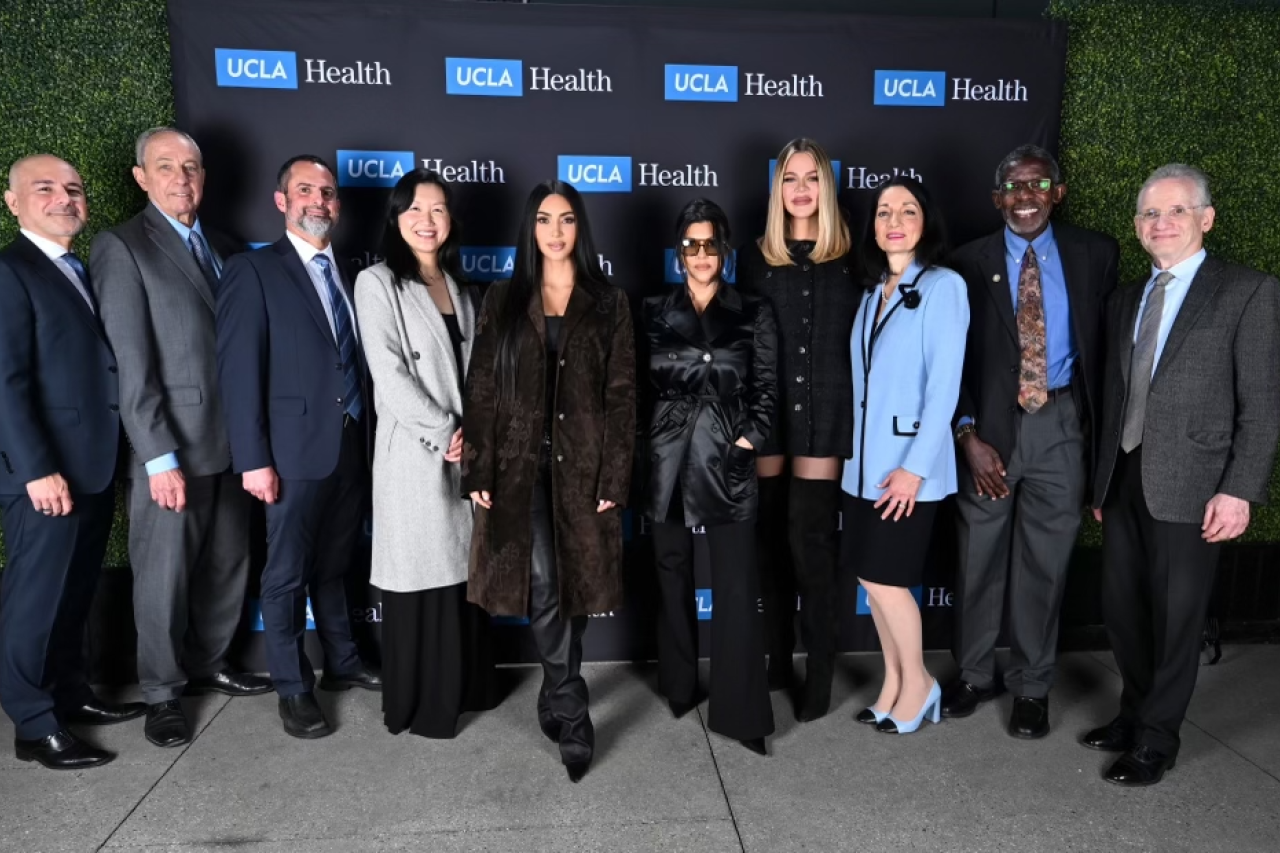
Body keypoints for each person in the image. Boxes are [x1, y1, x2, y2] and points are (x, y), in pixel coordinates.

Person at [1086, 164, 1280, 786]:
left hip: (1196, 487)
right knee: (1122, 609)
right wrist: (1100, 483)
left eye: (1174, 212)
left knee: (1177, 619)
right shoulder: (1125, 297)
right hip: (1123, 479)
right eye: (1149, 214)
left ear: (1205, 219)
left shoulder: (1247, 291)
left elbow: (1263, 403)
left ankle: (1157, 740)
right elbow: (1116, 398)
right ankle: (1133, 711)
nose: (1160, 223)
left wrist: (1240, 489)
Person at [89, 128, 269, 750]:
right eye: (165, 166)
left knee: (228, 563)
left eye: (190, 166)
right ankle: (162, 694)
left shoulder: (224, 246)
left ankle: (211, 660)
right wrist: (156, 456)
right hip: (171, 450)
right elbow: (130, 364)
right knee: (162, 576)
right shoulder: (121, 247)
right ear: (142, 177)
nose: (180, 177)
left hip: (234, 444)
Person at [461, 180, 635, 783]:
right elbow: (481, 386)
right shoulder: (503, 297)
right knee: (544, 583)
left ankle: (552, 689)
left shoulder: (609, 302)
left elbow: (622, 397)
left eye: (565, 220)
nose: (555, 231)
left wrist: (615, 471)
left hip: (583, 469)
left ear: (579, 228)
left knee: (575, 584)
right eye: (543, 220)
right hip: (517, 470)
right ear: (530, 229)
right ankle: (572, 705)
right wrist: (477, 465)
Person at [946, 144, 1119, 738]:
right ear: (998, 199)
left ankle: (1031, 686)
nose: (1026, 197)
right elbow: (952, 362)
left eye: (1038, 185)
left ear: (1057, 194)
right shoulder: (965, 263)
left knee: (1045, 566)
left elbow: (1110, 354)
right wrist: (967, 433)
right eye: (1014, 188)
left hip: (1062, 425)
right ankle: (973, 674)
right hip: (989, 431)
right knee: (978, 559)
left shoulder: (1096, 255)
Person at [215, 155, 381, 740]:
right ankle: (292, 685)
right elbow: (238, 375)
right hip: (288, 456)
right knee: (285, 574)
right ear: (281, 201)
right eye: (305, 190)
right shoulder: (252, 271)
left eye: (329, 192)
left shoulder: (353, 275)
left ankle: (343, 659)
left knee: (335, 566)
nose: (319, 200)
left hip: (350, 448)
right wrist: (253, 459)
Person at [0, 155, 145, 770]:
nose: (65, 198)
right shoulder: (11, 271)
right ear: (12, 202)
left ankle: (68, 695)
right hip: (44, 476)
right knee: (35, 601)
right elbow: (4, 381)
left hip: (86, 466)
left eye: (74, 189)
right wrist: (35, 468)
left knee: (72, 593)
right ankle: (33, 725)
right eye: (45, 189)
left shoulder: (73, 269)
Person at [354, 169, 495, 738]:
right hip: (416, 455)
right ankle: (421, 704)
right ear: (397, 217)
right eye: (415, 209)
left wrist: (475, 435)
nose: (427, 220)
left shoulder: (460, 288)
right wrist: (446, 432)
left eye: (437, 210)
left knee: (459, 578)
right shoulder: (378, 282)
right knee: (422, 582)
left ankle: (464, 688)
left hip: (463, 454)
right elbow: (387, 375)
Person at [641, 198, 778, 755]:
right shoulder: (651, 309)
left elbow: (768, 392)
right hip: (666, 458)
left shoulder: (753, 309)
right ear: (679, 253)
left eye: (711, 244)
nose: (701, 254)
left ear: (725, 250)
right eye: (691, 245)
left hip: (729, 458)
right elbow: (638, 387)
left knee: (737, 587)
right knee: (670, 575)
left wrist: (746, 442)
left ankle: (741, 711)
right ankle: (678, 685)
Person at [735, 138, 859, 722]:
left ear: (826, 188)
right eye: (790, 178)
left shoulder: (852, 254)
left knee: (812, 548)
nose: (801, 189)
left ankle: (821, 674)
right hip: (768, 415)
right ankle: (777, 660)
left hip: (828, 414)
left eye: (812, 178)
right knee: (769, 550)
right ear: (777, 189)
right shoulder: (755, 255)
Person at [843, 177, 968, 735]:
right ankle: (893, 683)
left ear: (926, 221)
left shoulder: (944, 287)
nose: (894, 219)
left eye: (907, 209)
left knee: (888, 581)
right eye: (884, 211)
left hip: (907, 470)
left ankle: (919, 684)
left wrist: (915, 467)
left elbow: (944, 385)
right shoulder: (873, 292)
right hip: (863, 467)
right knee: (872, 584)